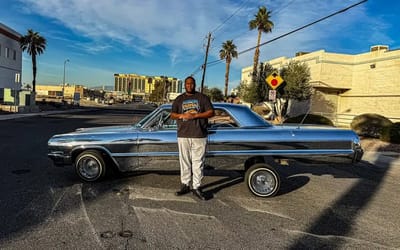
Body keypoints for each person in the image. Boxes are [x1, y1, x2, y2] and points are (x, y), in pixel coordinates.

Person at [170, 76, 214, 200]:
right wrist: (182, 115)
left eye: (192, 83)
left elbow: (211, 112)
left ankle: (197, 187)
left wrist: (196, 115)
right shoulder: (179, 99)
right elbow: (172, 115)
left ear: (195, 85)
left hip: (199, 135)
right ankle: (185, 185)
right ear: (185, 85)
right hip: (183, 134)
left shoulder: (202, 98)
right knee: (184, 161)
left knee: (198, 162)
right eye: (187, 84)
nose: (189, 85)